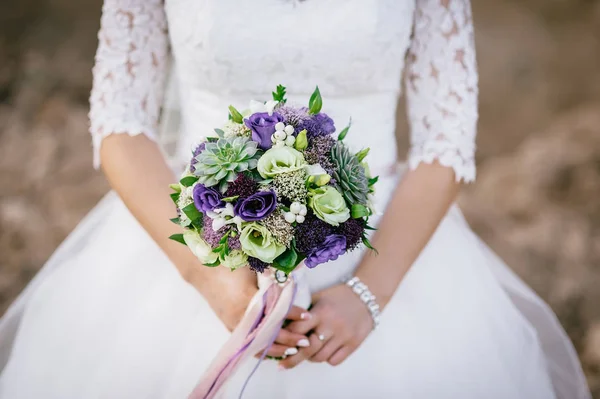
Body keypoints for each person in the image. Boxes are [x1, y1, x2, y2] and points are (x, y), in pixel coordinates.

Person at [0, 0, 591, 398]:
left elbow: (446, 139)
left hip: (383, 253)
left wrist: (367, 294)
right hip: (193, 240)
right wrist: (211, 279)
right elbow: (122, 119)